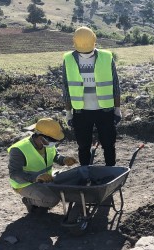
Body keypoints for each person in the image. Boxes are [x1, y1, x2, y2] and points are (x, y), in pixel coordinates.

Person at [61, 26, 122, 166]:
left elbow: (115, 84)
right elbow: (66, 87)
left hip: (105, 110)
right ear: (95, 40)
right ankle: (86, 173)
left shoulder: (106, 57)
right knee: (83, 147)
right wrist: (69, 112)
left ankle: (110, 173)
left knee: (108, 145)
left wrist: (117, 109)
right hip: (81, 112)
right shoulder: (68, 59)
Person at [8, 118, 78, 213]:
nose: (55, 143)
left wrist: (63, 159)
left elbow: (54, 155)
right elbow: (15, 174)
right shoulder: (19, 150)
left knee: (71, 179)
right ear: (41, 137)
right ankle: (29, 201)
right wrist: (36, 177)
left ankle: (42, 194)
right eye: (54, 140)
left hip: (46, 178)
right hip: (25, 184)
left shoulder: (47, 143)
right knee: (52, 199)